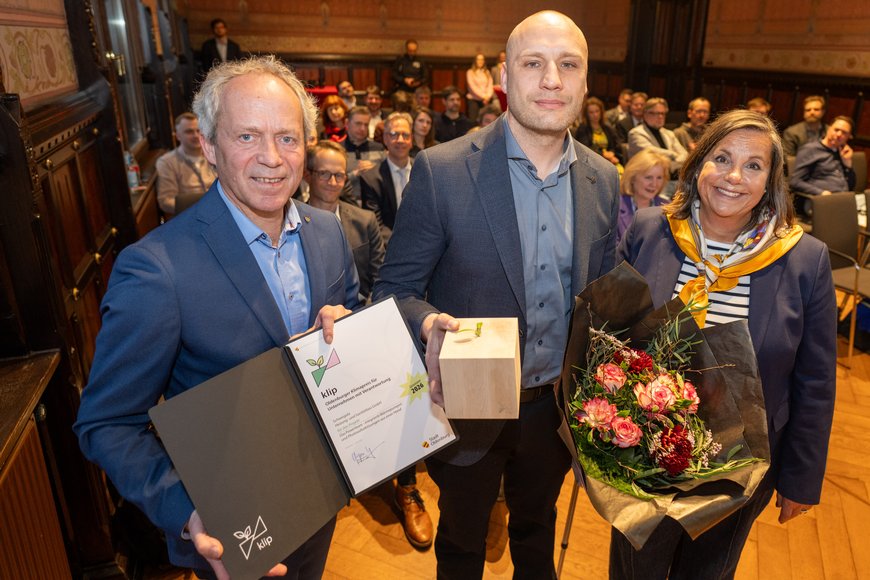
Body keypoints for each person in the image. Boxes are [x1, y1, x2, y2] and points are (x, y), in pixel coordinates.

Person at [74, 55, 360, 579]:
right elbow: (107, 423)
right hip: (232, 526)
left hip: (321, 494)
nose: (272, 158)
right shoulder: (157, 269)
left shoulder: (326, 232)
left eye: (288, 138)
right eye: (247, 137)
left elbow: (351, 325)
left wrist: (349, 327)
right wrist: (188, 511)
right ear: (208, 145)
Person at [374, 11, 619, 578]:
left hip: (553, 414)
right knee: (461, 542)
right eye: (534, 64)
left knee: (537, 531)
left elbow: (601, 300)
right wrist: (430, 322)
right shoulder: (442, 171)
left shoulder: (603, 179)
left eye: (568, 65)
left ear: (585, 82)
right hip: (465, 414)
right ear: (504, 76)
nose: (552, 79)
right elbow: (396, 292)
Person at [614, 109, 836, 579]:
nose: (734, 177)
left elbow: (815, 381)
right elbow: (610, 338)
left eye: (753, 165)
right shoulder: (650, 231)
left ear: (770, 180)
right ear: (697, 165)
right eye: (721, 158)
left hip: (739, 468)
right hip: (642, 461)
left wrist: (801, 477)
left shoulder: (805, 260)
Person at [306, 140, 383, 300]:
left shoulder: (365, 221)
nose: (332, 182)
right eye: (324, 173)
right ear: (308, 175)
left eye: (339, 175)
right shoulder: (292, 224)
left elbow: (380, 279)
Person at [361, 112, 414, 242]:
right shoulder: (370, 179)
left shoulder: (425, 172)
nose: (400, 140)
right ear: (385, 138)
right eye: (394, 134)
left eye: (405, 135)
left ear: (411, 139)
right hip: (389, 246)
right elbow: (376, 224)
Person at [155, 112, 217, 215]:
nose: (196, 136)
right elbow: (165, 201)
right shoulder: (167, 162)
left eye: (198, 131)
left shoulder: (215, 154)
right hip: (190, 217)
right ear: (178, 136)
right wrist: (200, 210)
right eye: (189, 132)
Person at [789, 116, 855, 212]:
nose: (839, 134)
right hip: (818, 202)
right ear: (829, 129)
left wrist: (848, 165)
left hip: (843, 200)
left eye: (844, 132)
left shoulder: (843, 152)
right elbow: (795, 182)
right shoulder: (810, 149)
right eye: (836, 130)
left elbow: (851, 185)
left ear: (849, 137)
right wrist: (821, 193)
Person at [617, 149, 669, 241]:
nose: (654, 184)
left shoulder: (669, 208)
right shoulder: (615, 207)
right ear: (632, 177)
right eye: (648, 177)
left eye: (659, 178)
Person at [628, 97, 688, 177]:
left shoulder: (669, 133)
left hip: (671, 178)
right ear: (645, 114)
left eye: (662, 113)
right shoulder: (636, 133)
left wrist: (675, 163)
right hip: (645, 178)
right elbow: (652, 153)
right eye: (655, 113)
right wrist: (674, 155)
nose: (660, 117)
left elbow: (684, 155)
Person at [343, 106, 386, 204]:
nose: (362, 128)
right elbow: (332, 182)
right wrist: (355, 174)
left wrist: (374, 171)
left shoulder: (379, 148)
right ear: (347, 123)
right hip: (347, 203)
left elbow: (387, 178)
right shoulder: (337, 151)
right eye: (358, 124)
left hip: (375, 204)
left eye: (366, 125)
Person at [574, 96, 624, 171]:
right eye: (591, 112)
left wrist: (612, 153)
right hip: (591, 164)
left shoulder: (607, 127)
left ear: (601, 111)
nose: (595, 115)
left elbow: (616, 145)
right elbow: (584, 148)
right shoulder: (583, 128)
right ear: (586, 114)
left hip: (611, 161)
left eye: (597, 111)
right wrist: (603, 155)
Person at [466, 53, 495, 123]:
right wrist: (483, 97)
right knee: (473, 122)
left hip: (486, 100)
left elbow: (490, 85)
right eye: (478, 59)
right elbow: (472, 87)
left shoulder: (487, 72)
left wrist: (488, 96)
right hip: (474, 100)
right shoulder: (470, 72)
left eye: (482, 59)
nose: (480, 61)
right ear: (475, 61)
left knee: (486, 122)